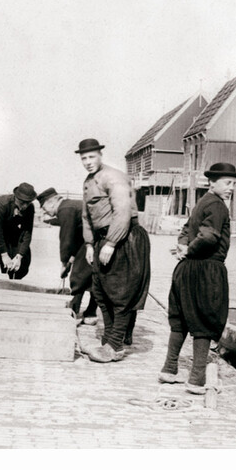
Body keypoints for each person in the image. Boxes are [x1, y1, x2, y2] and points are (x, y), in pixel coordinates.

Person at [159, 162, 236, 394]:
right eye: (227, 183)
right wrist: (189, 249)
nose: (231, 188)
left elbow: (186, 230)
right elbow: (209, 237)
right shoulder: (218, 206)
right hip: (206, 270)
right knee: (204, 321)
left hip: (185, 270)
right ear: (212, 182)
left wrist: (183, 247)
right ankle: (196, 380)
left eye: (233, 183)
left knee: (181, 319)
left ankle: (169, 369)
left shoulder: (201, 202)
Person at [76, 138, 151, 363]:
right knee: (100, 292)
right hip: (102, 239)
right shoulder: (89, 181)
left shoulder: (114, 176)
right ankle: (110, 341)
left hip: (124, 238)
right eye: (84, 158)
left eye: (91, 157)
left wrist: (111, 243)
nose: (88, 162)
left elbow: (123, 212)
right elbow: (86, 216)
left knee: (121, 294)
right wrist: (90, 244)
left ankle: (114, 345)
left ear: (100, 155)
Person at [36, 187, 99, 325]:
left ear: (51, 202)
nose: (44, 211)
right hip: (94, 241)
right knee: (93, 277)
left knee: (78, 276)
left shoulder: (65, 210)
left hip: (94, 242)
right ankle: (90, 311)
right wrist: (71, 260)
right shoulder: (69, 206)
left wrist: (64, 263)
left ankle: (74, 312)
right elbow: (78, 235)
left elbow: (67, 239)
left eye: (44, 207)